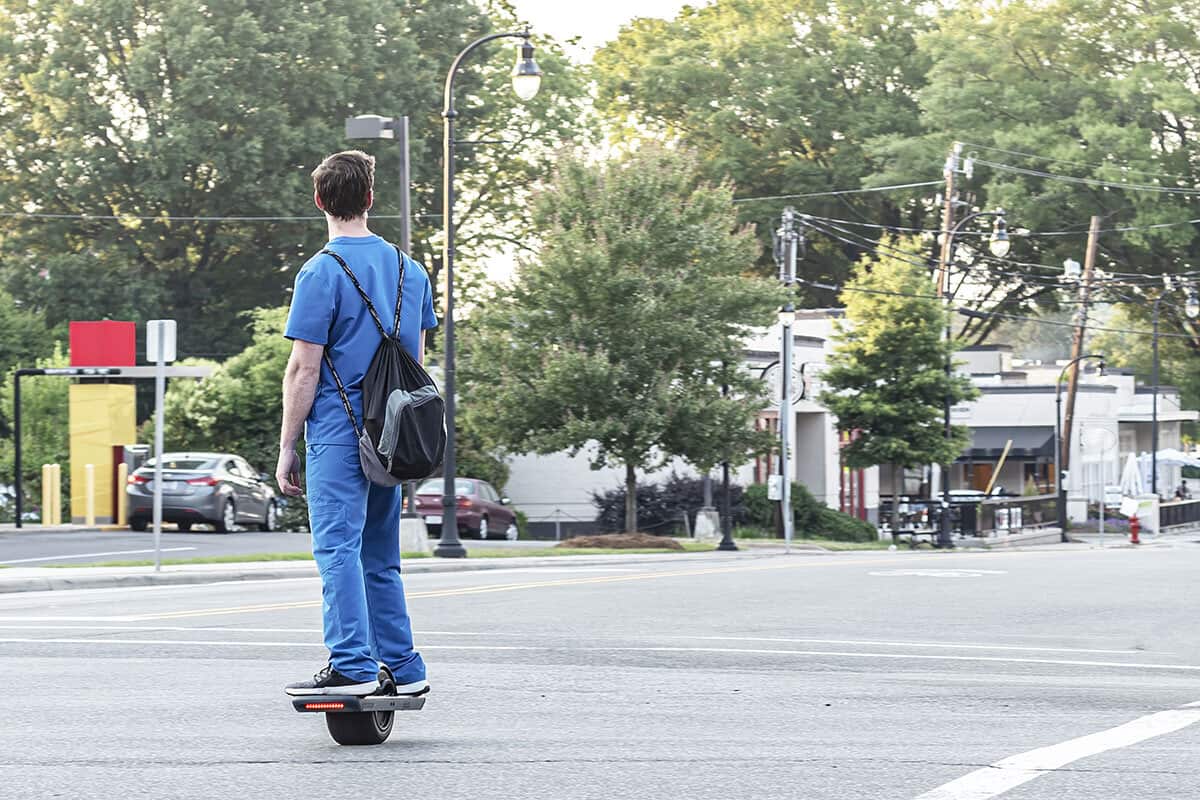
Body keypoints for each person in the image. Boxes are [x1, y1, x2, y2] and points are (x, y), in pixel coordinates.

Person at [277, 150, 437, 696]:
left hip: (337, 433)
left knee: (337, 549)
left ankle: (352, 663)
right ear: (370, 198)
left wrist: (286, 446)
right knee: (379, 555)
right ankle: (404, 667)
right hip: (388, 435)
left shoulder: (320, 272)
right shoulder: (410, 271)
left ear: (320, 201)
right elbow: (413, 361)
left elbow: (303, 368)